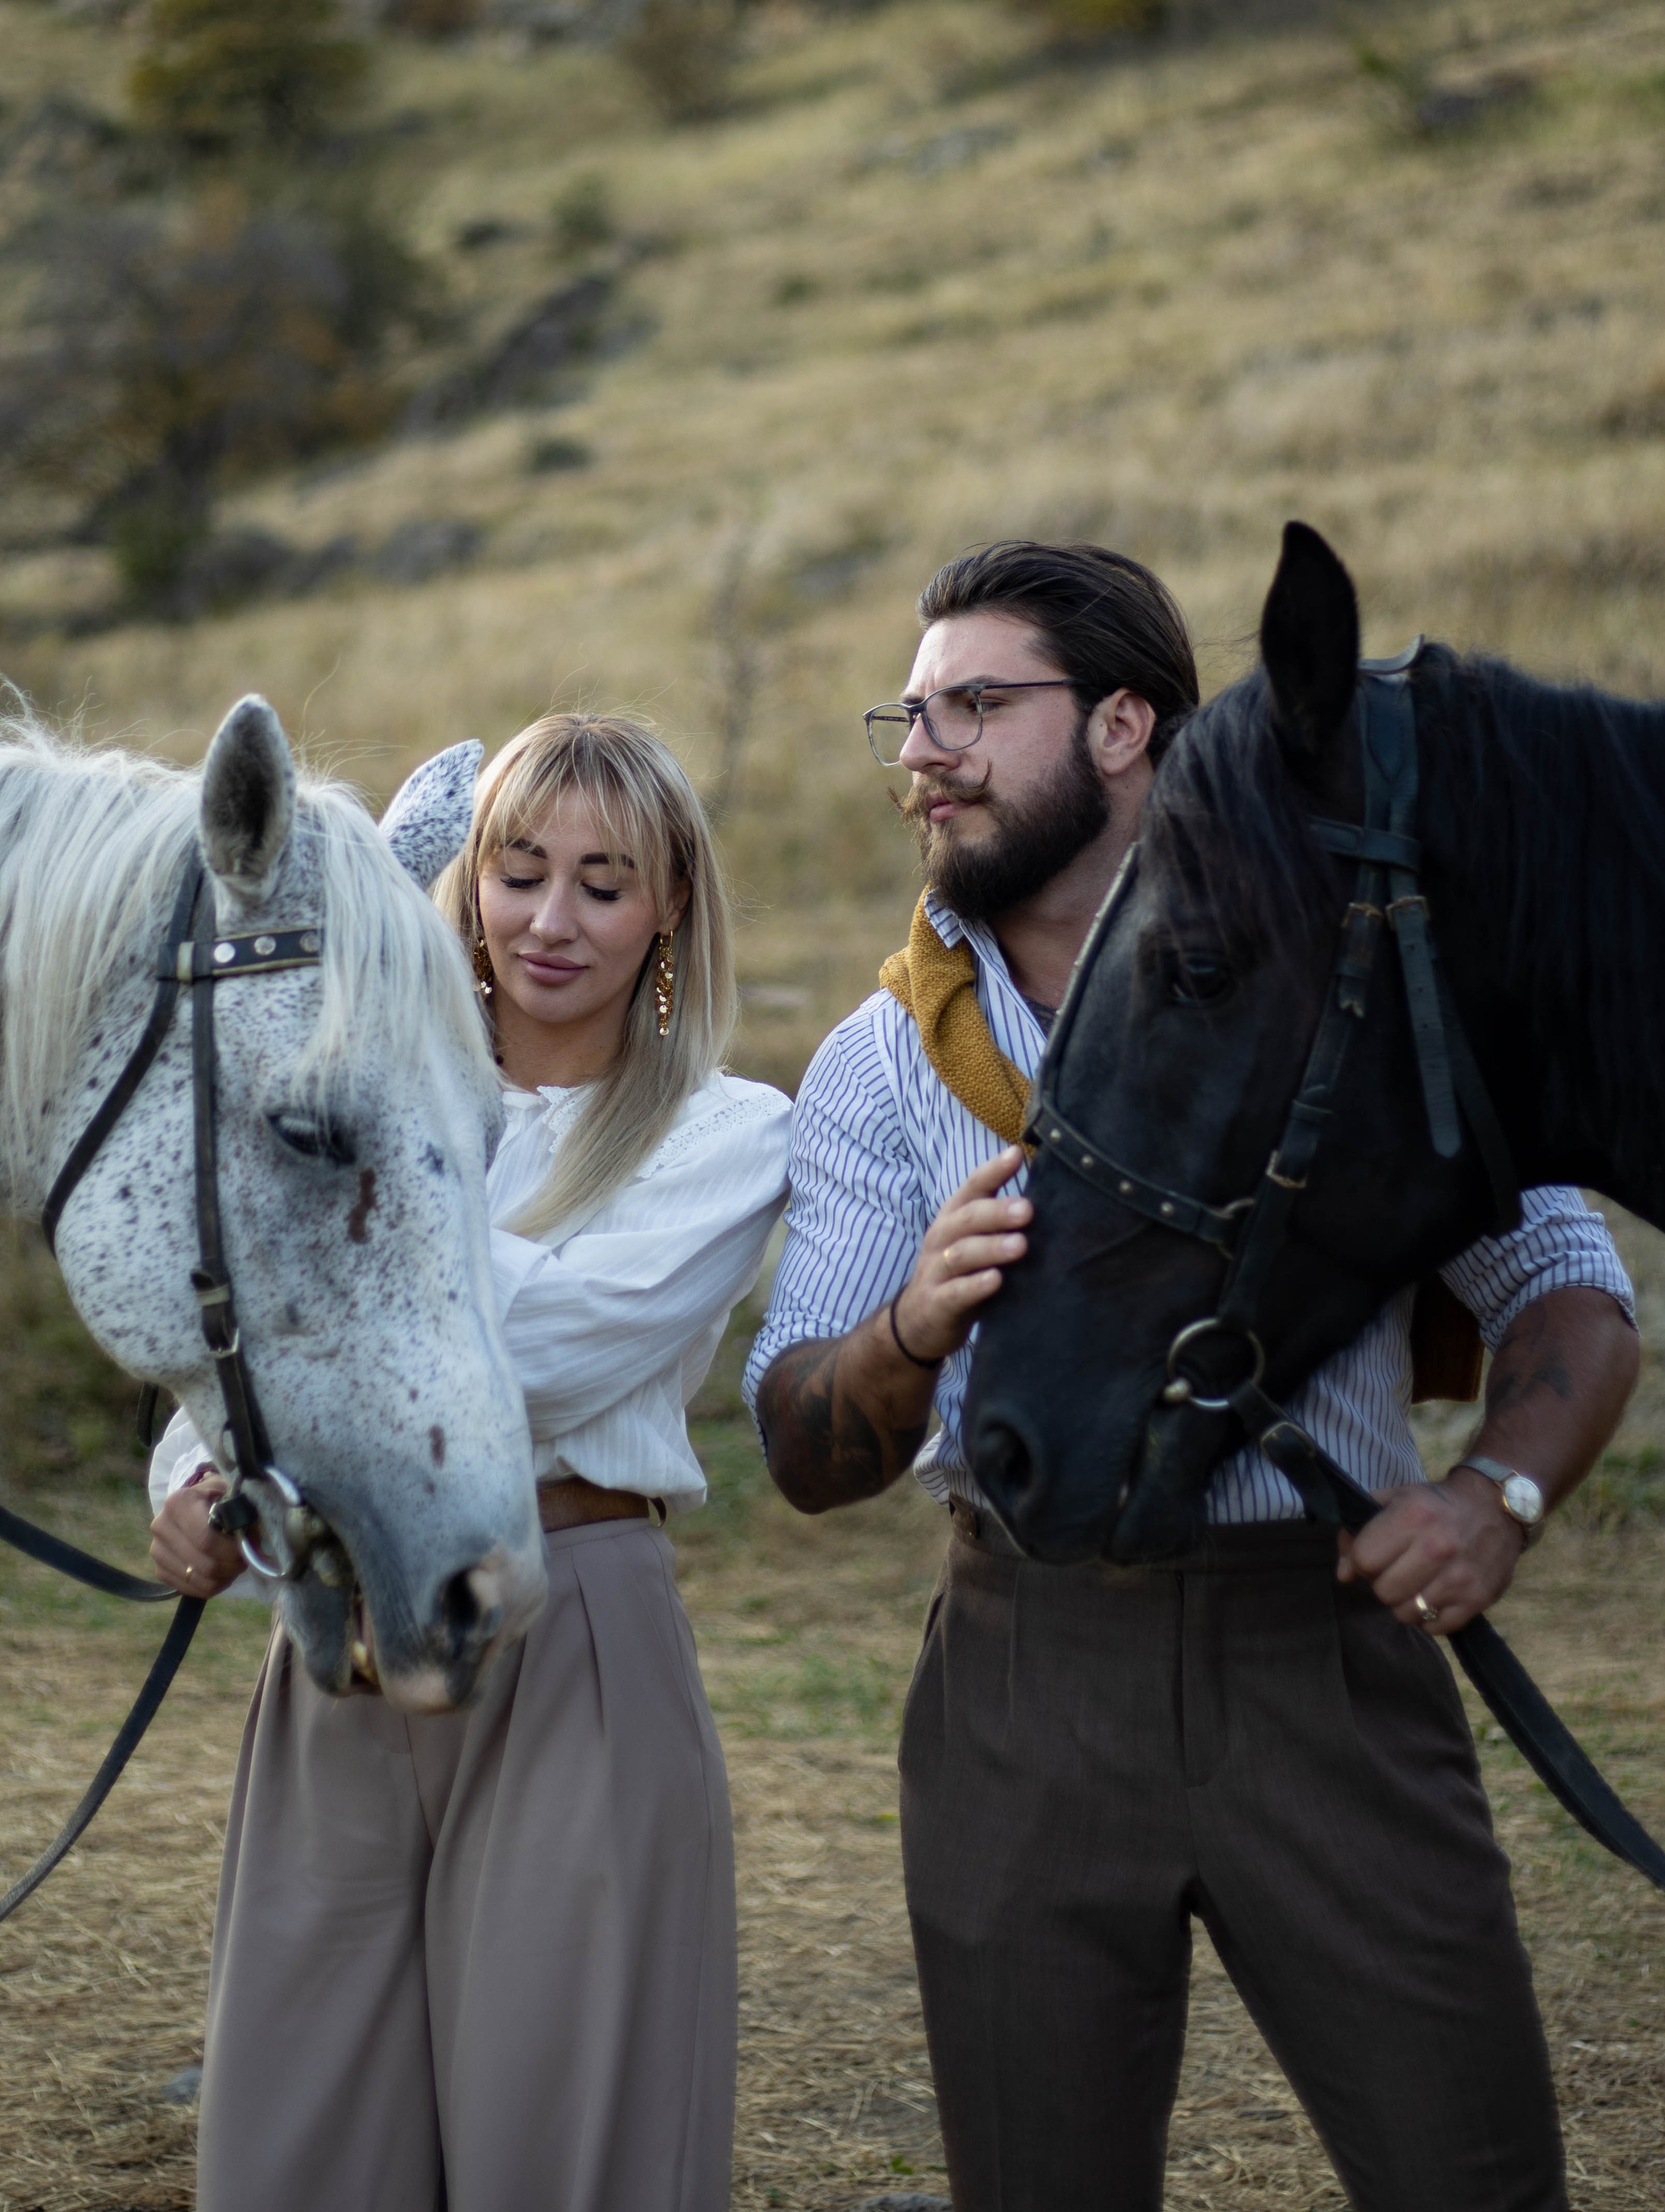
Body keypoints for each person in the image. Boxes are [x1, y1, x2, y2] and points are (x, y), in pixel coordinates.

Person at [743, 540, 1640, 2212]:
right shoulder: (881, 1059)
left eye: (974, 706)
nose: (921, 750)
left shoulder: (1345, 968)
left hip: (1328, 1660)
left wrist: (1494, 1497)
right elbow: (804, 1447)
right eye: (910, 715)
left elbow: (1570, 1301)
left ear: (1121, 726)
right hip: (1024, 1677)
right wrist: (908, 1329)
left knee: (1474, 2180)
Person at [148, 712, 790, 2212]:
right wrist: (194, 1488)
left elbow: (524, 1359)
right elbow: (221, 1348)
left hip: (569, 1629)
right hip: (338, 1640)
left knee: (565, 2154)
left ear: (670, 907)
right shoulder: (342, 1100)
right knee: (298, 2147)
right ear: (469, 887)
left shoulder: (726, 1132)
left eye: (604, 883)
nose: (551, 921)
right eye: (516, 873)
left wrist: (326, 1228)